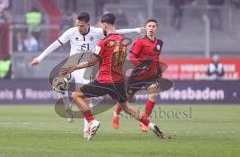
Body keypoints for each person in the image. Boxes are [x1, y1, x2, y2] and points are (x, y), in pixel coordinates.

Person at [30, 12, 144, 138]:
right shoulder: (71, 32)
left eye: (82, 26)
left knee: (86, 98)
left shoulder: (97, 32)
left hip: (85, 68)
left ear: (88, 24)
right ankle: (68, 108)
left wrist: (135, 30)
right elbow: (55, 45)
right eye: (77, 25)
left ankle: (87, 128)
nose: (79, 28)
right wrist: (39, 58)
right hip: (71, 64)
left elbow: (116, 31)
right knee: (58, 82)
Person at [61, 13, 165, 141]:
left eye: (101, 25)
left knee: (76, 95)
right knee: (126, 107)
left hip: (105, 80)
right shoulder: (123, 41)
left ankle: (92, 121)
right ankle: (150, 124)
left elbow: (91, 62)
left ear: (104, 25)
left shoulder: (103, 43)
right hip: (119, 81)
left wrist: (73, 67)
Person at [112, 19, 166, 132]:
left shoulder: (159, 43)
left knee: (153, 92)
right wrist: (142, 65)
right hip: (138, 76)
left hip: (151, 76)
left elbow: (156, 58)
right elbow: (132, 57)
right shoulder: (140, 42)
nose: (151, 28)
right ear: (145, 28)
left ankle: (145, 122)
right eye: (149, 26)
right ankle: (116, 113)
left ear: (156, 28)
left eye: (153, 26)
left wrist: (158, 70)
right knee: (127, 99)